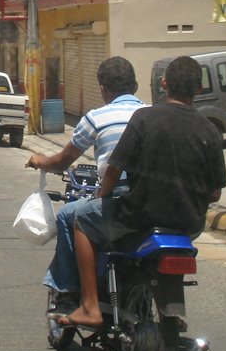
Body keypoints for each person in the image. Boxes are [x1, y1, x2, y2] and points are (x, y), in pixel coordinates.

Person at [58, 56, 226, 329]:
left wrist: (103, 194)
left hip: (139, 216)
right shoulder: (208, 128)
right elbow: (215, 193)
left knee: (82, 220)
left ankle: (90, 306)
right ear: (198, 89)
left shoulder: (145, 118)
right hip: (189, 224)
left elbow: (114, 167)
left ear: (163, 84)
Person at [25, 56, 146, 312]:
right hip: (151, 201)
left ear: (102, 88)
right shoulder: (151, 114)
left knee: (70, 215)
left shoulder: (97, 118)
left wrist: (38, 161)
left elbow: (61, 161)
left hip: (118, 202)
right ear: (135, 85)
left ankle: (70, 291)